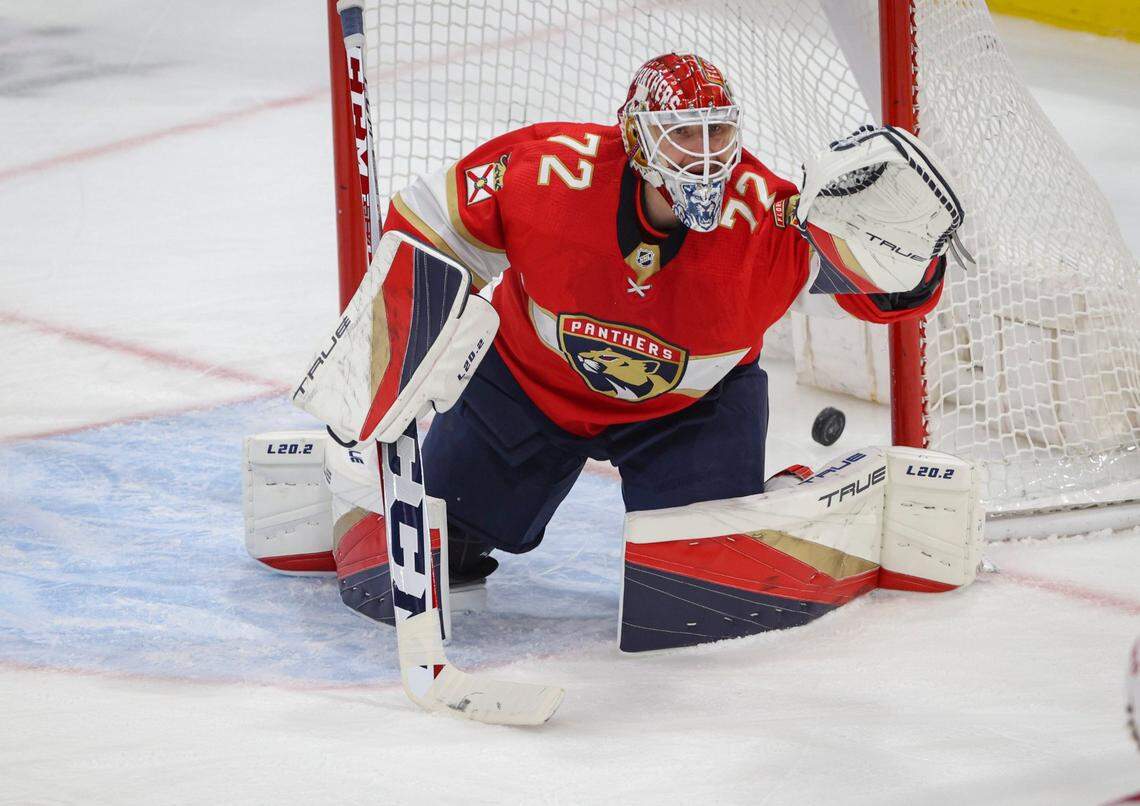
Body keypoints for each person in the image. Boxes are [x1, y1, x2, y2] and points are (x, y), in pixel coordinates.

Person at [379, 52, 948, 596]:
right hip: (531, 388)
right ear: (635, 138)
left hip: (689, 413)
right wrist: (400, 345)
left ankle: (783, 497)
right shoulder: (549, 174)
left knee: (709, 575)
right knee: (437, 539)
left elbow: (882, 293)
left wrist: (912, 258)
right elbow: (423, 222)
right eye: (682, 134)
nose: (703, 155)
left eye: (716, 133)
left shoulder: (768, 221)